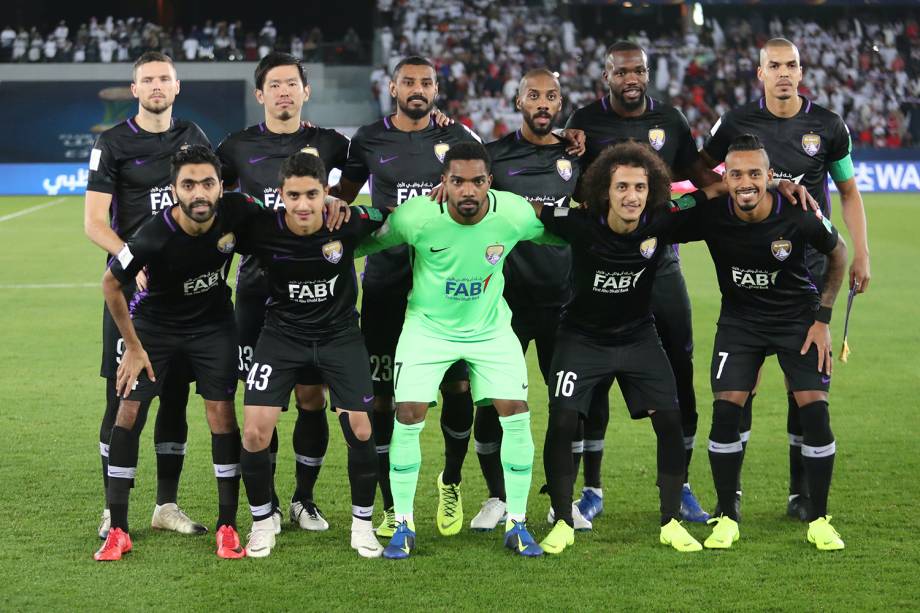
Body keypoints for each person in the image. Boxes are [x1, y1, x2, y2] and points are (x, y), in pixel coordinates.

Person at [356, 141, 565, 559]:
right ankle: (403, 525)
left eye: (476, 181)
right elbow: (366, 242)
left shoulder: (512, 212)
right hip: (427, 329)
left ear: (489, 182)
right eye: (457, 182)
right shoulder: (417, 216)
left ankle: (518, 523)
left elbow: (563, 233)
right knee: (408, 412)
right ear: (443, 184)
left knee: (515, 412)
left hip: (489, 328)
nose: (467, 190)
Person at [537, 141, 738, 555]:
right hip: (581, 338)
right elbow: (528, 211)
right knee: (562, 422)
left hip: (637, 337)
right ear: (604, 191)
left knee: (670, 420)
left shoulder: (662, 219)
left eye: (640, 187)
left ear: (653, 191)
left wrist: (774, 187)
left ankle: (670, 521)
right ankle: (560, 520)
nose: (632, 196)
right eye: (622, 187)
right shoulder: (579, 223)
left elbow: (711, 194)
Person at [702, 38, 870, 521]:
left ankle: (800, 492)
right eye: (774, 65)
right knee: (743, 384)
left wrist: (862, 253)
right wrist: (772, 183)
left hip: (810, 276)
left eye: (791, 65)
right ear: (760, 73)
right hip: (752, 272)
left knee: (806, 391)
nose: (783, 73)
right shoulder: (736, 123)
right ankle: (730, 495)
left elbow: (850, 192)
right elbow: (706, 177)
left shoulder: (827, 127)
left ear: (801, 71)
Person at [565, 41, 721, 523]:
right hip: (599, 267)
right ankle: (591, 488)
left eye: (639, 71)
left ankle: (682, 482)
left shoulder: (671, 121)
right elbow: (566, 187)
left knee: (680, 367)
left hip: (660, 263)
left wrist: (743, 185)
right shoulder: (584, 122)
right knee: (593, 375)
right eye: (621, 71)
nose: (631, 78)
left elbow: (703, 180)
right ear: (606, 74)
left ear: (648, 73)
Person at [332, 55, 483, 538]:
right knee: (381, 397)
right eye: (408, 82)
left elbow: (485, 190)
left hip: (445, 288)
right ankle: (388, 503)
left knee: (457, 389)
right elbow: (344, 196)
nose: (417, 90)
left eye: (426, 82)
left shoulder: (457, 138)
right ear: (393, 88)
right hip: (386, 284)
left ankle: (452, 479)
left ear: (437, 89)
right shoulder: (369, 139)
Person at [676, 134, 847, 551]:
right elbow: (668, 212)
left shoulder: (799, 212)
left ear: (771, 176)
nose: (746, 182)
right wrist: (698, 194)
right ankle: (727, 516)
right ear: (726, 178)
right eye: (736, 174)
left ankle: (820, 518)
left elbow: (839, 252)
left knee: (815, 411)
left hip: (798, 320)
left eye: (755, 174)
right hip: (741, 322)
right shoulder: (712, 212)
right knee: (725, 411)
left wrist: (823, 319)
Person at [94, 146, 261, 561]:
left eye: (207, 183)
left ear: (222, 187)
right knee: (127, 412)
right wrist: (133, 347)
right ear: (174, 191)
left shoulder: (239, 211)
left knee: (221, 413)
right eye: (189, 185)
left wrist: (331, 201)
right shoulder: (153, 234)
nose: (199, 193)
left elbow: (286, 217)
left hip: (213, 325)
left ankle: (227, 526)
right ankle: (117, 528)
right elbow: (111, 284)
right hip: (156, 328)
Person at [217, 51, 350, 534]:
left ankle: (304, 499)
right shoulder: (235, 147)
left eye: (291, 83)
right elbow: (212, 199)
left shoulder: (331, 143)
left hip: (317, 295)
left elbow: (362, 173)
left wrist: (339, 205)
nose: (284, 92)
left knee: (312, 398)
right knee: (261, 405)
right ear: (260, 95)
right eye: (274, 85)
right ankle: (267, 502)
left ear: (305, 91)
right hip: (257, 294)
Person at [84, 51, 210, 541]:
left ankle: (166, 505)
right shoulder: (112, 143)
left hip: (184, 293)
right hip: (131, 293)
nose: (156, 85)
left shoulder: (193, 137)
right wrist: (130, 259)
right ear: (134, 90)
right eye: (147, 79)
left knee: (174, 398)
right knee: (121, 399)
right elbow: (95, 222)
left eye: (164, 78)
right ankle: (111, 509)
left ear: (177, 87)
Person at [235, 153, 387, 559]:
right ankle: (263, 522)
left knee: (361, 429)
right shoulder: (263, 228)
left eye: (313, 194)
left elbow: (392, 215)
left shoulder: (349, 222)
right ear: (281, 195)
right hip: (281, 336)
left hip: (340, 337)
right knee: (253, 433)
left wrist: (349, 206)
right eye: (294, 195)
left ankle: (362, 526)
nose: (303, 205)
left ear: (326, 193)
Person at [467, 68, 593, 531]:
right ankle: (497, 497)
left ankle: (563, 501)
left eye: (552, 96)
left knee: (568, 405)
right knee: (493, 402)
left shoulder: (576, 155)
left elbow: (592, 213)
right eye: (533, 95)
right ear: (517, 101)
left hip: (565, 302)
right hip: (505, 305)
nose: (543, 103)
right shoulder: (494, 157)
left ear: (560, 104)